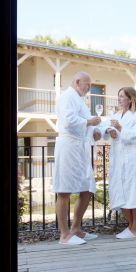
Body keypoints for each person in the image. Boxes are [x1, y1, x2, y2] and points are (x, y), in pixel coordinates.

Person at [53, 71, 102, 245]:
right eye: (87, 85)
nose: (89, 89)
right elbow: (68, 120)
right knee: (64, 189)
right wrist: (90, 123)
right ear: (78, 81)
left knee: (88, 188)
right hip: (68, 146)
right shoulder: (66, 97)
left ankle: (76, 228)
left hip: (81, 147)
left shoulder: (80, 100)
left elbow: (85, 122)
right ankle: (64, 234)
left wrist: (94, 131)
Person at [99, 87, 136, 239]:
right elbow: (103, 126)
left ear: (130, 99)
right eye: (118, 96)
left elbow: (133, 136)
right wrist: (109, 130)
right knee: (119, 189)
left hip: (132, 156)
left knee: (134, 189)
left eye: (121, 97)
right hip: (118, 156)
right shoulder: (117, 114)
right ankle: (132, 227)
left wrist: (119, 127)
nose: (118, 99)